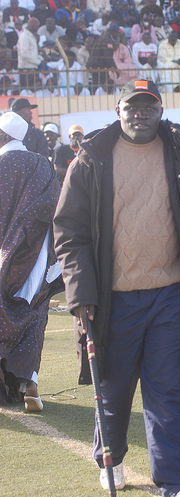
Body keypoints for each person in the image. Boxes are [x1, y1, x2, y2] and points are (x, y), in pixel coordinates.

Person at [53, 78, 180, 497]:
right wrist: (80, 294)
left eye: (148, 106)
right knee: (112, 389)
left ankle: (176, 482)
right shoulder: (91, 160)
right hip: (112, 299)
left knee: (171, 393)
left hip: (171, 296)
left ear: (161, 110)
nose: (140, 113)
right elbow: (69, 232)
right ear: (118, 110)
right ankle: (110, 461)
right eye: (132, 107)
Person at [0, 111, 62, 409]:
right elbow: (56, 209)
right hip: (36, 259)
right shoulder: (43, 164)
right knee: (34, 315)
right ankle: (31, 385)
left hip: (3, 256)